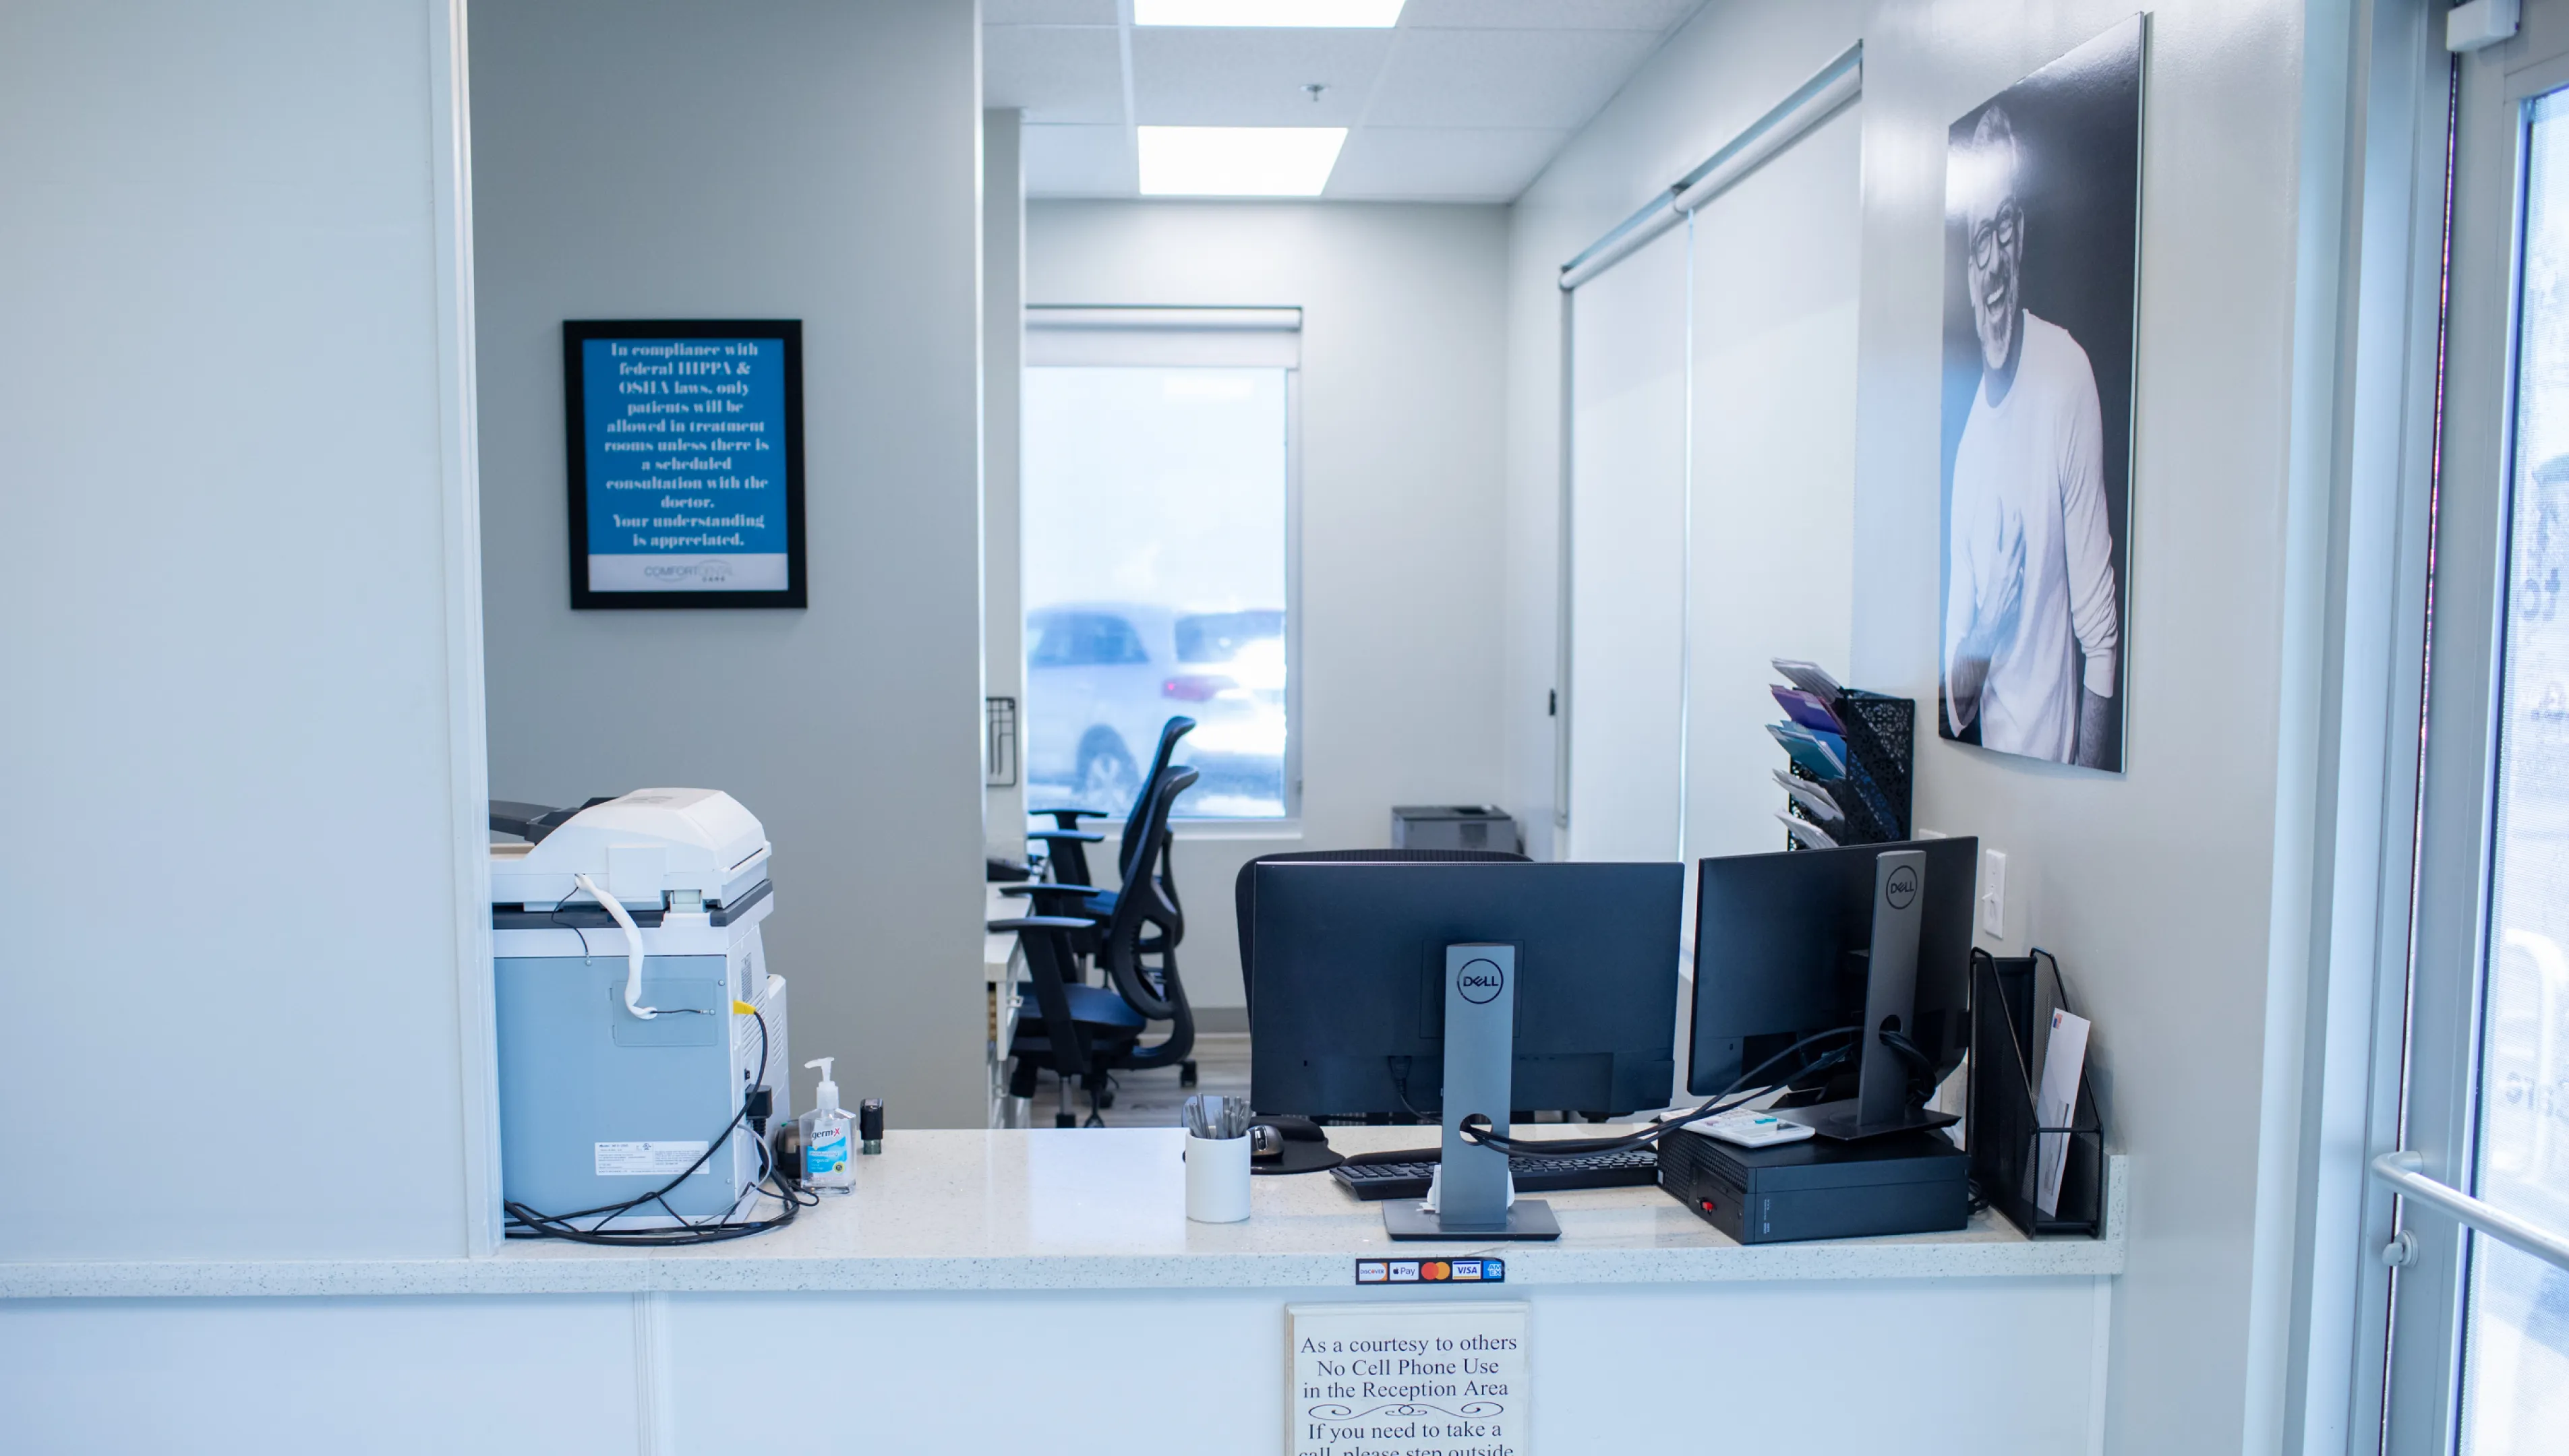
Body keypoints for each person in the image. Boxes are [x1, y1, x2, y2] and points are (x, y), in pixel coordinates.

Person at [1942, 104, 2121, 769]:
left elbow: (2100, 638)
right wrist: (1991, 624)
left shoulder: (2064, 373)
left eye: (2004, 226)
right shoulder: (1968, 451)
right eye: (1977, 238)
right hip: (1998, 793)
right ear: (1967, 268)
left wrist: (2086, 804)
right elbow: (1955, 705)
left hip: (2060, 789)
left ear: (2021, 234)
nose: (1992, 263)